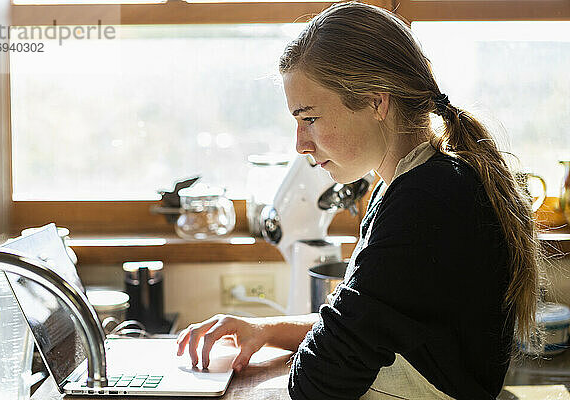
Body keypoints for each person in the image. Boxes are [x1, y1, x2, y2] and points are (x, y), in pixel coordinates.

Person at [175, 2, 541, 399]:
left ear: (376, 102)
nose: (299, 144)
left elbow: (318, 381)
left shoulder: (425, 200)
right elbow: (370, 326)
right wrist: (266, 330)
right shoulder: (411, 184)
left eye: (309, 118)